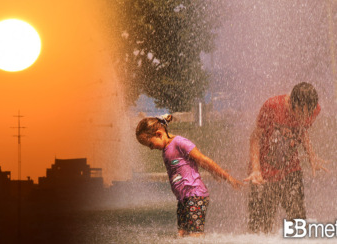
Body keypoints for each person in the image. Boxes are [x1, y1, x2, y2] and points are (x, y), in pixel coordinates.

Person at [135, 114, 242, 237]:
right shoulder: (166, 149)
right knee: (182, 234)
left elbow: (202, 159)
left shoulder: (179, 142)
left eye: (150, 144)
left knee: (195, 235)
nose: (151, 149)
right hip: (183, 199)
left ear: (159, 134)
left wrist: (227, 177)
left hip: (195, 195)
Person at [244, 82, 329, 233]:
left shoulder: (314, 110)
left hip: (291, 169)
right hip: (263, 174)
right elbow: (255, 138)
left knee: (298, 222)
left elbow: (301, 130)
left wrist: (312, 155)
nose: (304, 117)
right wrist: (256, 169)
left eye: (307, 114)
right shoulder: (272, 106)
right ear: (291, 103)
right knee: (260, 230)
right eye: (300, 113)